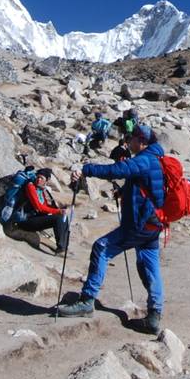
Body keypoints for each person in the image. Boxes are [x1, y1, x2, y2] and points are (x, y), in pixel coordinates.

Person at [56, 124, 167, 333]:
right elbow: (141, 184)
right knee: (150, 266)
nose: (129, 141)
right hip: (154, 223)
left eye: (132, 138)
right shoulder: (156, 159)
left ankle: (87, 300)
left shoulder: (144, 159)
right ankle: (154, 316)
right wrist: (125, 193)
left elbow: (117, 170)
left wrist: (86, 169)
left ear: (141, 142)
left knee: (101, 248)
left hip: (139, 224)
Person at [13, 168, 70, 253]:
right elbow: (38, 207)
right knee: (58, 218)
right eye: (38, 177)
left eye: (41, 178)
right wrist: (57, 211)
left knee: (63, 217)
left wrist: (59, 210)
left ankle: (63, 246)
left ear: (46, 181)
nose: (39, 179)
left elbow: (44, 206)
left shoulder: (40, 190)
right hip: (25, 222)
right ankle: (61, 247)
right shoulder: (30, 186)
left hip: (34, 218)